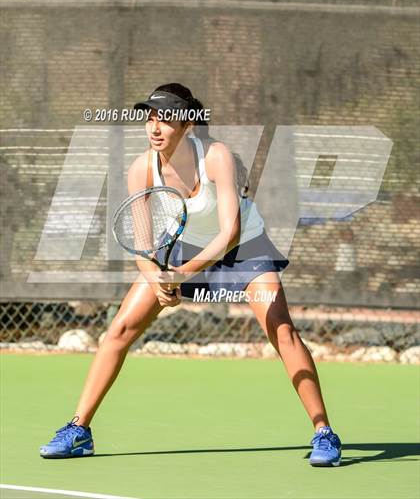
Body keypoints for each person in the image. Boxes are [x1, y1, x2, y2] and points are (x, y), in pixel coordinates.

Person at [39, 83, 342, 467]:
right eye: (150, 117)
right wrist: (157, 281)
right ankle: (78, 430)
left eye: (165, 118)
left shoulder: (216, 157)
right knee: (119, 330)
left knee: (282, 330)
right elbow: (144, 246)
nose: (155, 127)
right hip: (183, 250)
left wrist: (180, 275)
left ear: (186, 123)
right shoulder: (141, 170)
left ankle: (324, 433)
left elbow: (229, 232)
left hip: (244, 249)